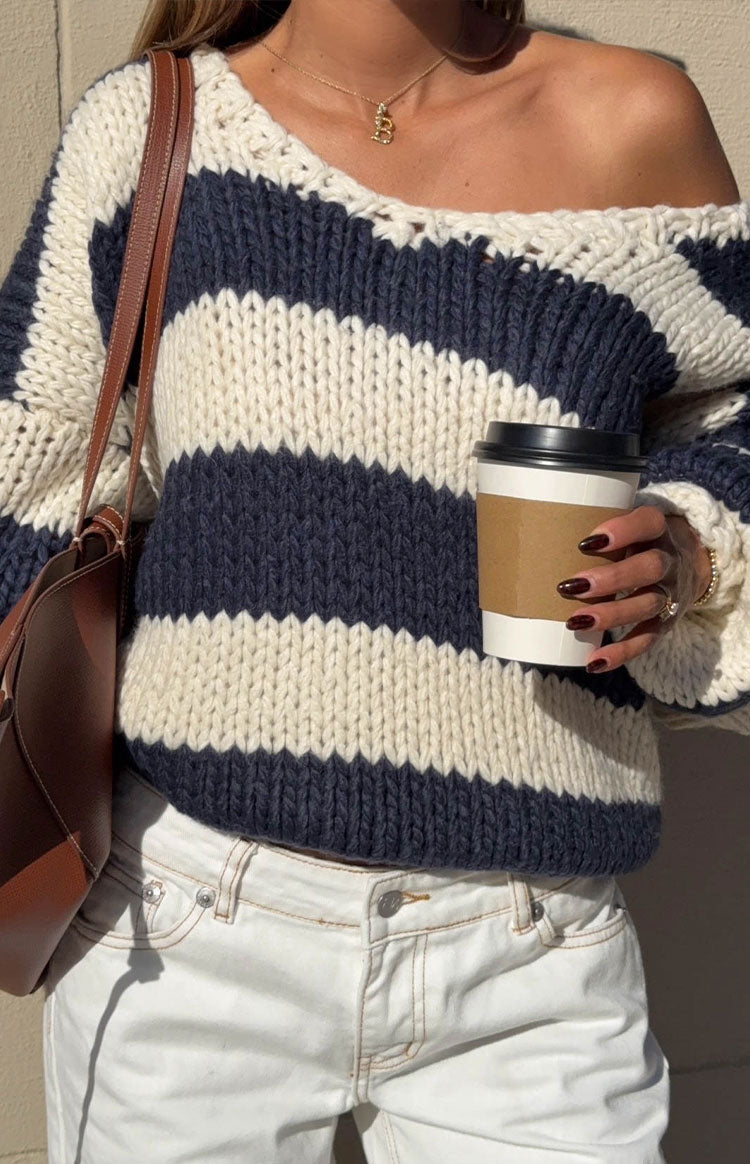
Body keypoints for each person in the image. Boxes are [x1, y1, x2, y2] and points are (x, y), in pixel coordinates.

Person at [1, 1, 748, 1160]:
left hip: (532, 955)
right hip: (186, 930)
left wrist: (691, 543)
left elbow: (732, 418)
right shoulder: (151, 126)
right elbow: (35, 463)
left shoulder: (632, 118)